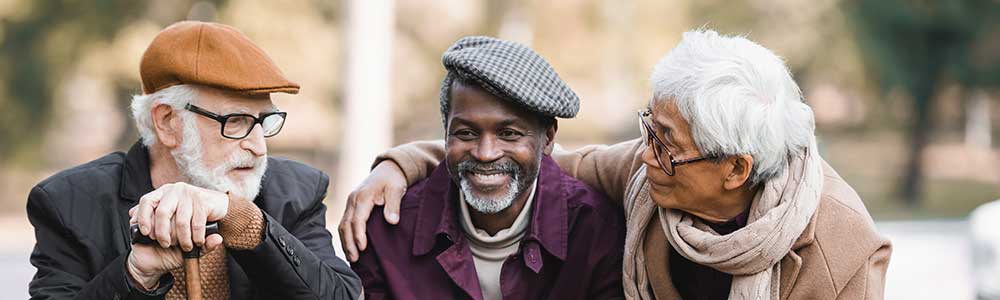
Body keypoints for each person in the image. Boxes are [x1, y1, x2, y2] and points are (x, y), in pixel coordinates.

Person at [340, 30, 891, 299]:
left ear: (736, 170)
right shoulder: (649, 173)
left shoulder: (840, 248)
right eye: (648, 127)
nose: (642, 151)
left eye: (664, 142)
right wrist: (401, 163)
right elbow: (513, 160)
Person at [27, 21, 361, 299]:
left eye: (264, 121)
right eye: (237, 121)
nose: (259, 147)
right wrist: (134, 275)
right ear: (168, 122)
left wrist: (246, 222)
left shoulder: (296, 191)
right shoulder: (68, 203)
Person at [348, 36, 625, 300]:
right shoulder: (388, 230)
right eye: (466, 133)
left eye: (509, 134)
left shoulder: (596, 230)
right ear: (446, 133)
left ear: (549, 137)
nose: (485, 154)